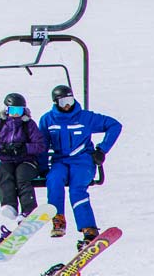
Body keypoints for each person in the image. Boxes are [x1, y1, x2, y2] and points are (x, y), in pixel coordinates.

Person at [38, 84, 122, 242]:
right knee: (54, 180)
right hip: (60, 160)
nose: (68, 104)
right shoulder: (48, 119)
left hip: (82, 160)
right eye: (63, 102)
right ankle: (58, 220)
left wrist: (102, 149)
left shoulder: (85, 117)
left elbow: (114, 125)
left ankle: (88, 228)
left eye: (69, 100)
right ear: (56, 103)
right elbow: (42, 145)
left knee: (77, 189)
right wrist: (42, 167)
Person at [0, 92, 47, 225]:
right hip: (7, 160)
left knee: (22, 177)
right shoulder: (1, 124)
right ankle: (9, 205)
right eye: (12, 110)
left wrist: (25, 148)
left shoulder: (28, 125)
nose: (15, 114)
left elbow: (40, 145)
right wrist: (3, 147)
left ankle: (28, 210)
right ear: (6, 110)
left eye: (18, 110)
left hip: (27, 161)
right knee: (5, 175)